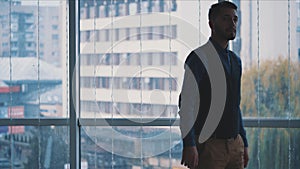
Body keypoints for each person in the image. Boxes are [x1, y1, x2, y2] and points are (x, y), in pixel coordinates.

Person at [178, 1, 249, 169]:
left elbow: (234, 105)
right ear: (211, 24)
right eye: (226, 19)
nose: (232, 24)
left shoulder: (235, 61)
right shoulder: (199, 58)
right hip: (210, 147)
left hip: (235, 145)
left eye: (235, 19)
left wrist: (244, 142)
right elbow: (186, 104)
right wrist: (189, 144)